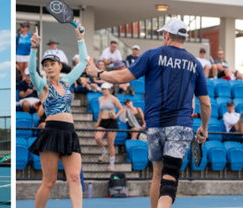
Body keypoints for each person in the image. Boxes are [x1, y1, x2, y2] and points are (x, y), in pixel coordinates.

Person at [86, 19, 211, 208]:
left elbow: (121, 77)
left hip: (155, 126)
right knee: (170, 179)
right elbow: (205, 104)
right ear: (184, 38)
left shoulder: (152, 55)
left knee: (157, 175)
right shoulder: (195, 63)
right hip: (180, 126)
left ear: (167, 35)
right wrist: (204, 127)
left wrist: (97, 73)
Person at [26, 21, 88, 208]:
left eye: (53, 64)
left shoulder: (67, 82)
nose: (49, 67)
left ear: (60, 66)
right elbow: (30, 70)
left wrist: (81, 39)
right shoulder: (43, 86)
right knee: (49, 181)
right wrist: (34, 49)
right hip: (51, 133)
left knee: (75, 178)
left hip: (70, 133)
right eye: (46, 65)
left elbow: (84, 62)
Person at [93, 83, 125, 171]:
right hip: (103, 121)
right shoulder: (100, 99)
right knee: (97, 137)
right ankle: (104, 153)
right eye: (102, 89)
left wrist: (115, 116)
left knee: (110, 144)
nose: (103, 90)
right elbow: (100, 111)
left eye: (105, 89)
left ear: (109, 89)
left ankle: (112, 164)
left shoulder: (113, 98)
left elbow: (121, 108)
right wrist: (98, 122)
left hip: (112, 122)